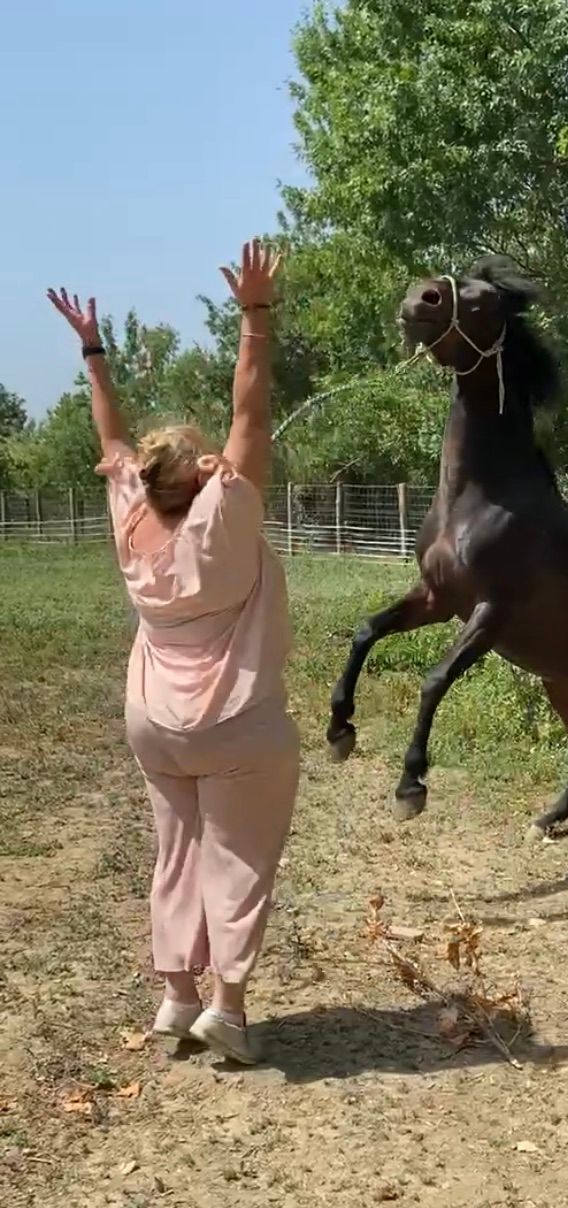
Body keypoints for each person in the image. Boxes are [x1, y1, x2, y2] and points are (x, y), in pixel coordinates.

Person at [47, 239, 299, 1064]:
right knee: (237, 856)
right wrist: (255, 315)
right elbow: (253, 414)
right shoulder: (226, 513)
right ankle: (224, 1007)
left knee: (177, 848)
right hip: (234, 720)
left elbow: (112, 436)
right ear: (200, 473)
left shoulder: (131, 512)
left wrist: (93, 352)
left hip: (153, 722)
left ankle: (174, 997)